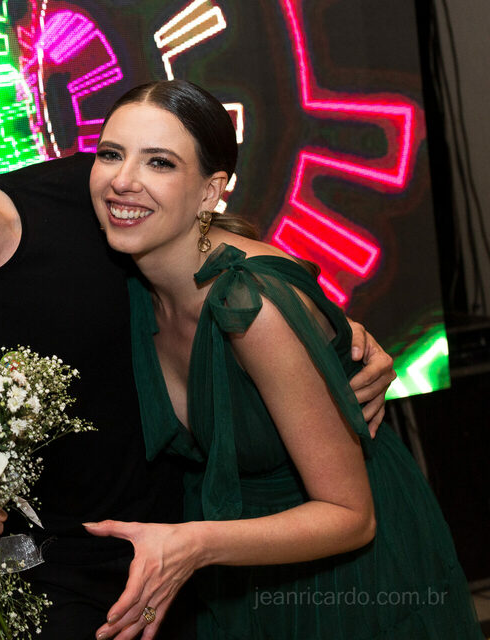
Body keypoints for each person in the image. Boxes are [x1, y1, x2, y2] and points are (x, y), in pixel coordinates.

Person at [0, 43, 396, 639]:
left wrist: (335, 333)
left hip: (219, 553)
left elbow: (230, 264)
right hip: (62, 607)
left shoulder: (92, 191)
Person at [82, 79, 483, 640]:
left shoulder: (251, 305)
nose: (124, 180)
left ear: (209, 192)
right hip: (243, 566)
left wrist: (193, 543)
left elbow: (351, 517)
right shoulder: (128, 280)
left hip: (349, 581)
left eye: (160, 163)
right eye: (110, 154)